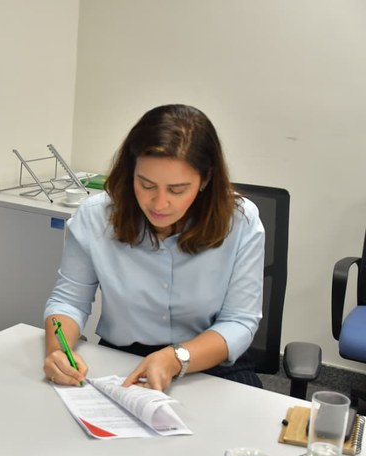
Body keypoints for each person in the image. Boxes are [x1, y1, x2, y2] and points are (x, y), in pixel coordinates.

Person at [43, 104, 265, 391]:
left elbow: (239, 320)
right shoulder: (96, 216)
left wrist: (175, 359)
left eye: (177, 190)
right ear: (131, 171)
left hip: (212, 361)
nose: (159, 204)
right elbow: (68, 301)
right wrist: (57, 351)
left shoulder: (240, 221)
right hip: (123, 358)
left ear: (206, 179)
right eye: (146, 185)